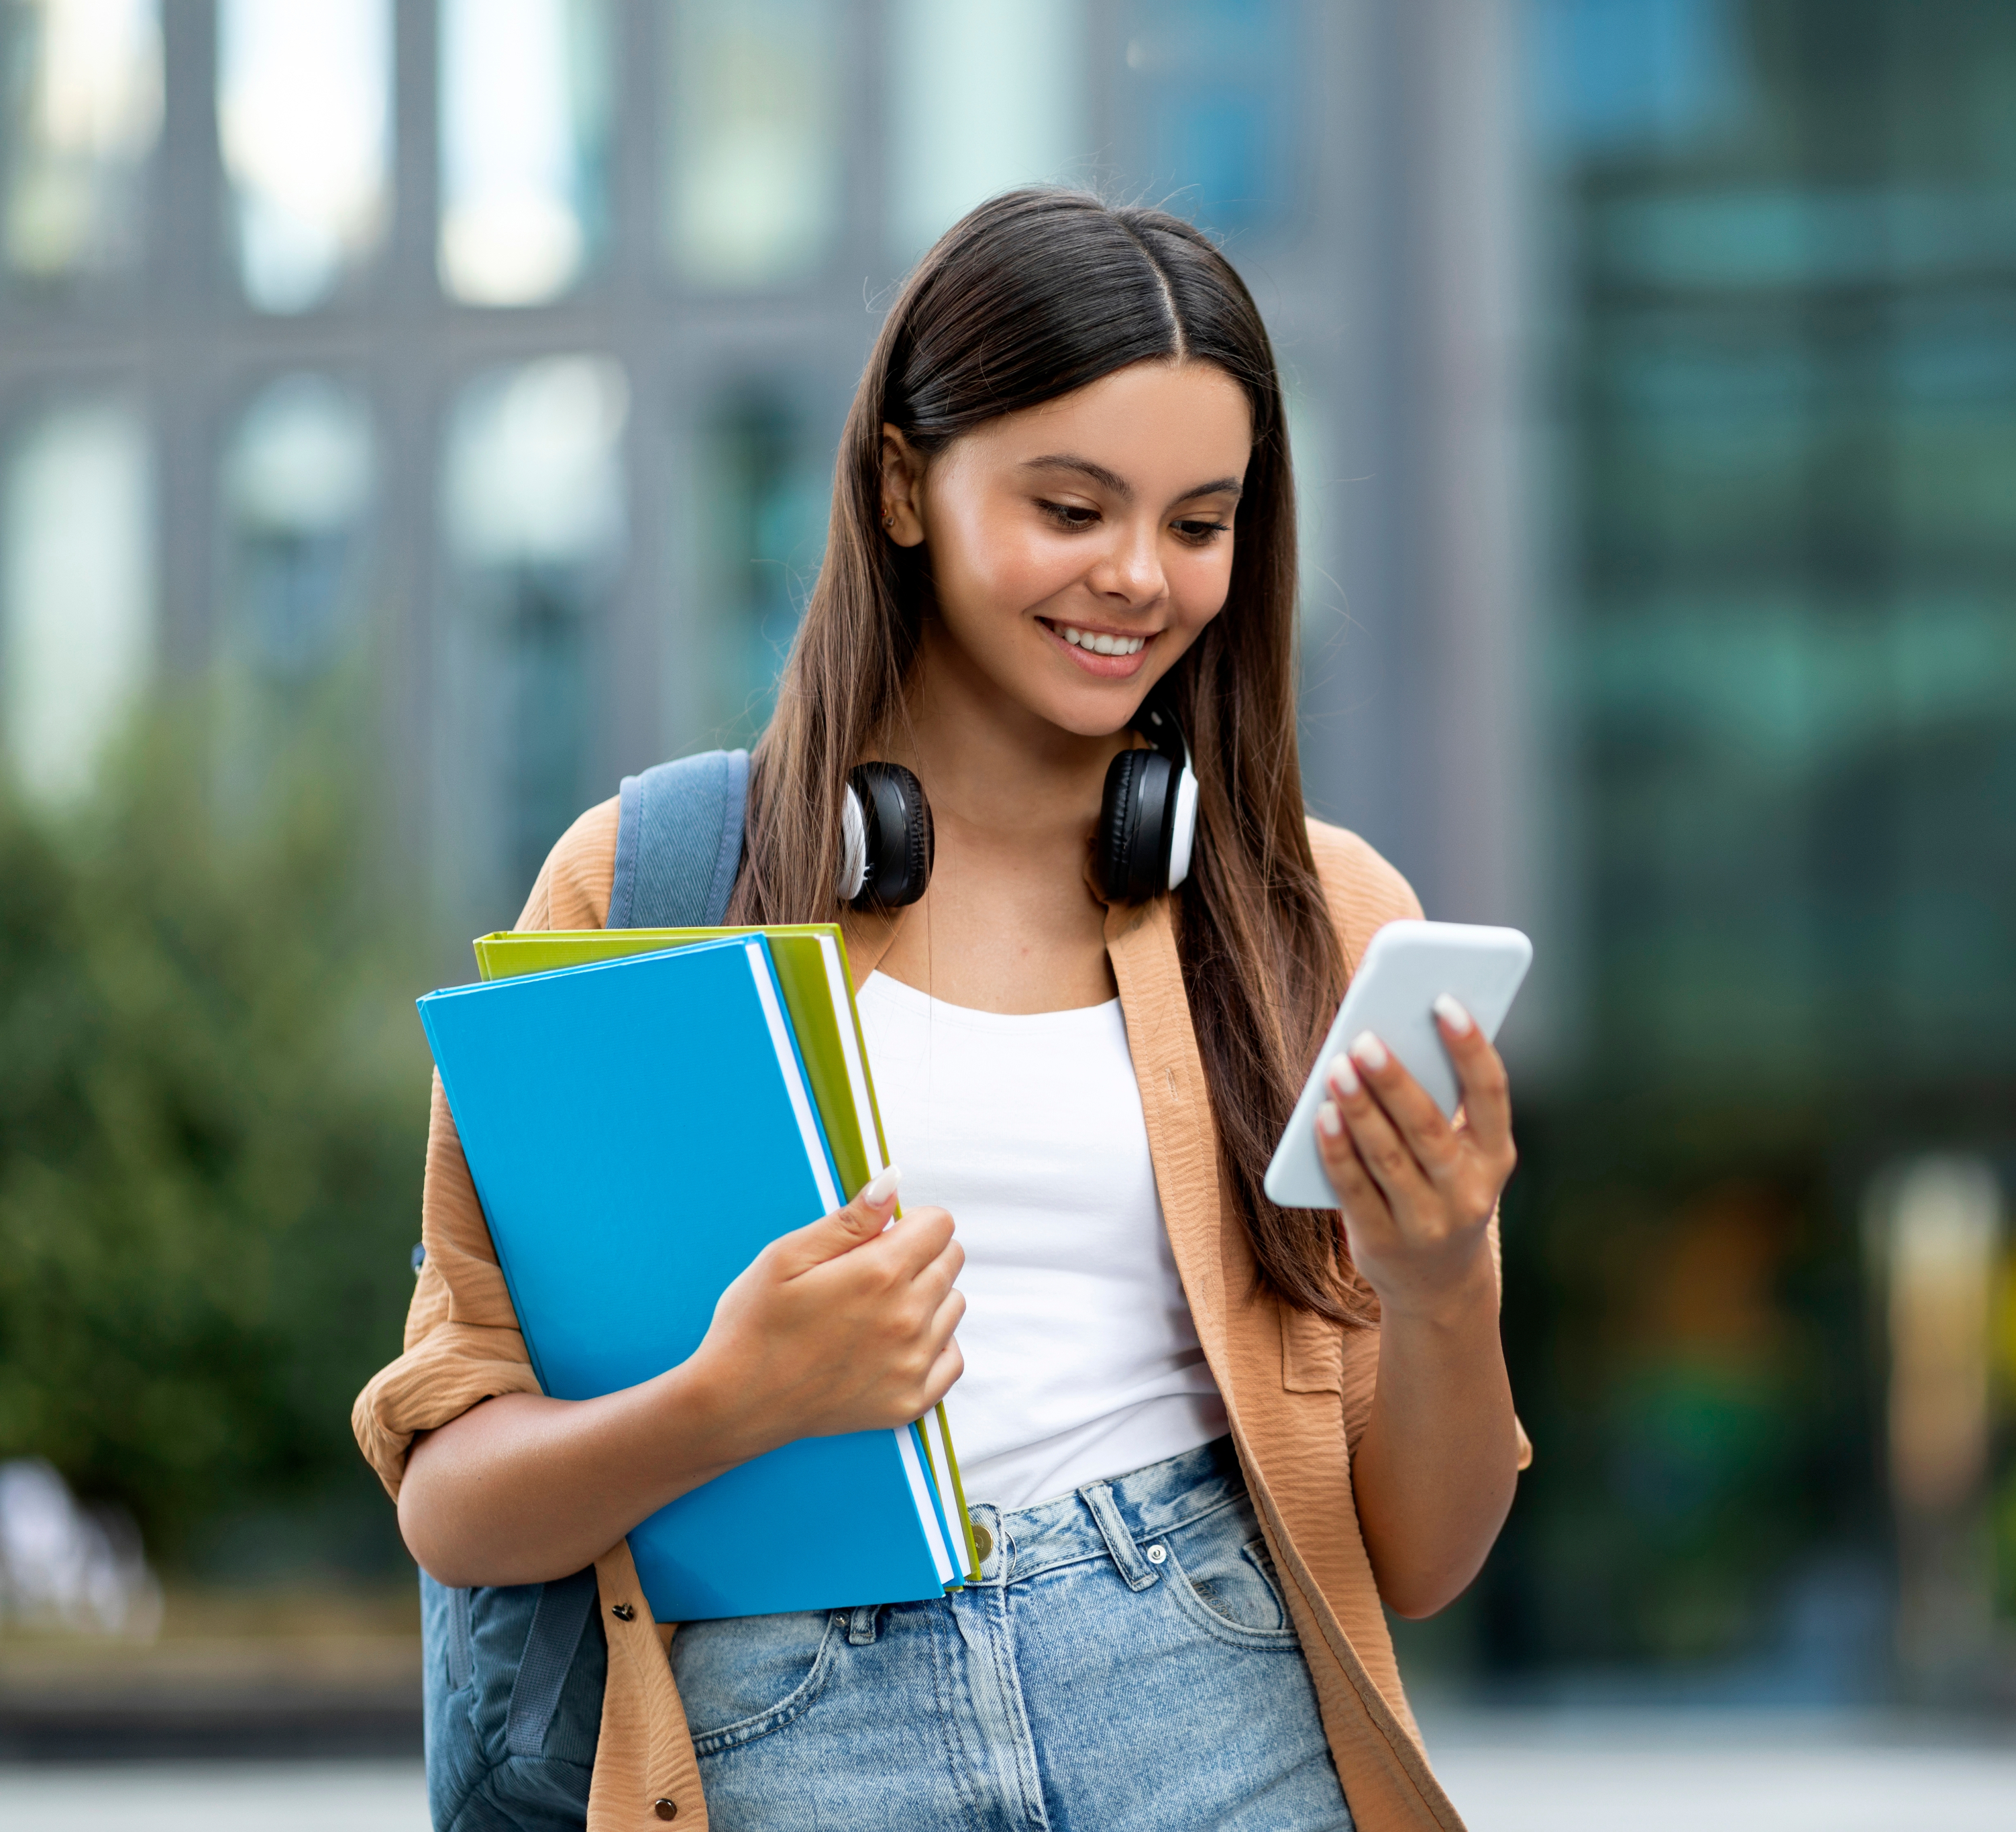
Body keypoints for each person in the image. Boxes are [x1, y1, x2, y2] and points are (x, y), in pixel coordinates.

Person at [353, 188, 1527, 1831]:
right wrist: (734, 1397)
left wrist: (1443, 1282)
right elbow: (458, 1506)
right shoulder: (650, 886)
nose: (1138, 577)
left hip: (1212, 1700)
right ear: (904, 483)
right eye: (1069, 506)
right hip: (786, 1731)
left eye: (1201, 522)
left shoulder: (1313, 921)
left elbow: (1421, 1558)